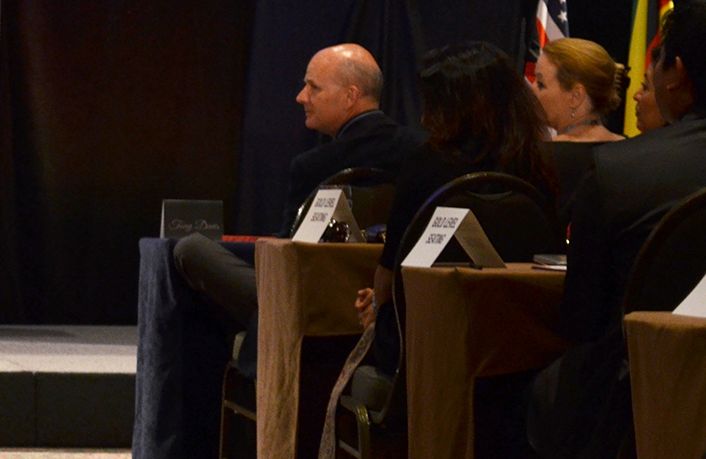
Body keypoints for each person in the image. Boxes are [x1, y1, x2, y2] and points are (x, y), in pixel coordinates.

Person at [526, 0, 706, 459]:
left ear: (675, 73)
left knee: (548, 398)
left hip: (636, 399)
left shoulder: (623, 171)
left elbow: (580, 320)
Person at [171, 44, 422, 374]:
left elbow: (284, 257)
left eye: (313, 87)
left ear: (350, 96)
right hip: (394, 307)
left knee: (190, 248)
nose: (301, 97)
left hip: (313, 305)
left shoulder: (313, 166)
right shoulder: (422, 153)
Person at [354, 41, 558, 373]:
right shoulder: (537, 165)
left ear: (452, 108)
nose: (424, 117)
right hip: (518, 341)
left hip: (427, 337)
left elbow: (392, 268)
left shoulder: (426, 163)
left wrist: (377, 306)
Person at [530, 38, 625, 217]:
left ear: (576, 96)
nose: (532, 89)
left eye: (541, 83)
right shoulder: (629, 150)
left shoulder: (539, 159)